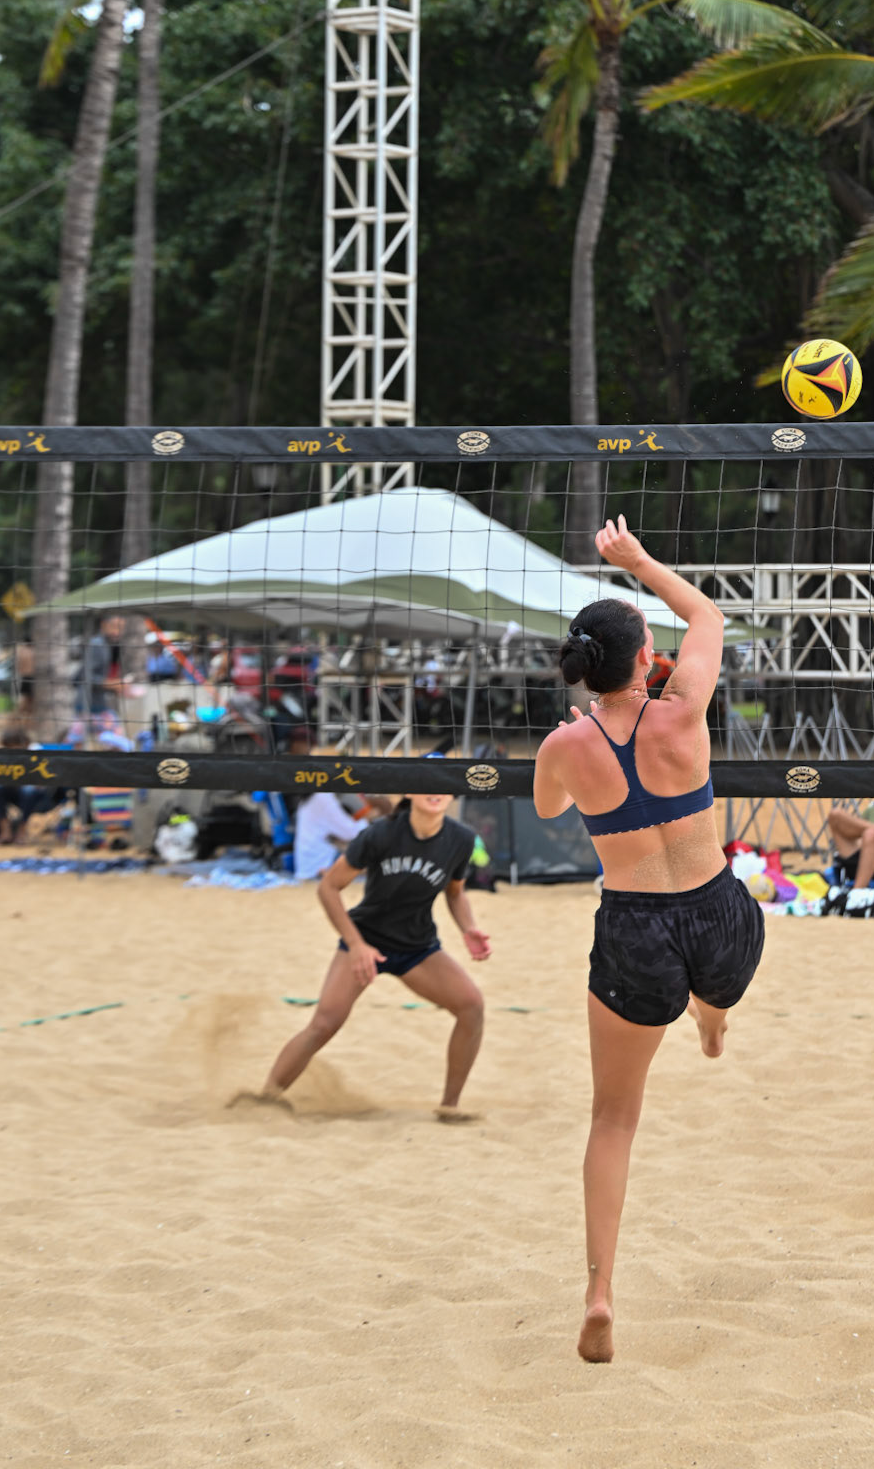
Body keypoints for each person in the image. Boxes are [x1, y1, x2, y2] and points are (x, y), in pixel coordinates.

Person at [534, 516, 765, 1365]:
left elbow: (552, 812)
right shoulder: (684, 712)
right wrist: (634, 561)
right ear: (645, 659)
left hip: (634, 928)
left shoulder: (563, 744)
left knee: (612, 1118)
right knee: (713, 989)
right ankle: (711, 1016)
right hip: (718, 919)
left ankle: (598, 1291)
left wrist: (578, 738)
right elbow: (708, 616)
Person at [263, 791, 490, 1118]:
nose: (435, 793)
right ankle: (266, 1097)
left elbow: (455, 893)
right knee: (324, 1023)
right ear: (409, 793)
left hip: (417, 947)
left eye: (442, 785)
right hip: (367, 939)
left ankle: (449, 1107)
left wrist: (468, 928)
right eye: (426, 785)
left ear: (452, 794)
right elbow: (328, 887)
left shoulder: (461, 839)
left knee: (472, 1007)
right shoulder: (381, 835)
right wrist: (356, 945)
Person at [292, 789, 369, 882]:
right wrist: (368, 819)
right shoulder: (323, 797)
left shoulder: (311, 797)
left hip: (309, 868)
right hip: (319, 868)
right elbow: (351, 832)